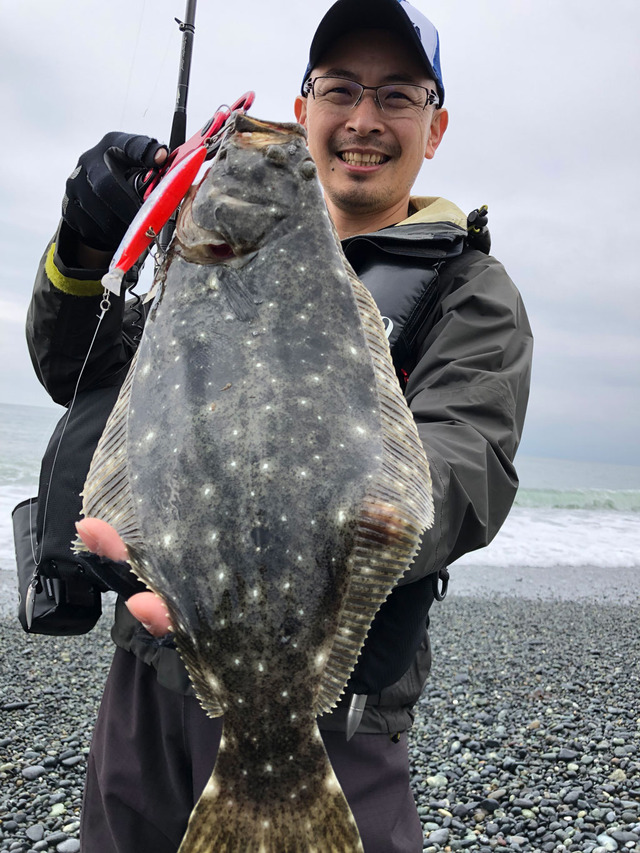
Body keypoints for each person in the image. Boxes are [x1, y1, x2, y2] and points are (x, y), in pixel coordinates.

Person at [26, 0, 533, 850]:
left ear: (435, 127)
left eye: (397, 95)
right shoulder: (206, 270)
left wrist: (352, 518)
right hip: (149, 671)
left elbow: (468, 465)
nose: (364, 119)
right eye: (340, 89)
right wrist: (81, 248)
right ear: (305, 108)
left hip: (335, 706)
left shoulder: (471, 293)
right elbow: (78, 370)